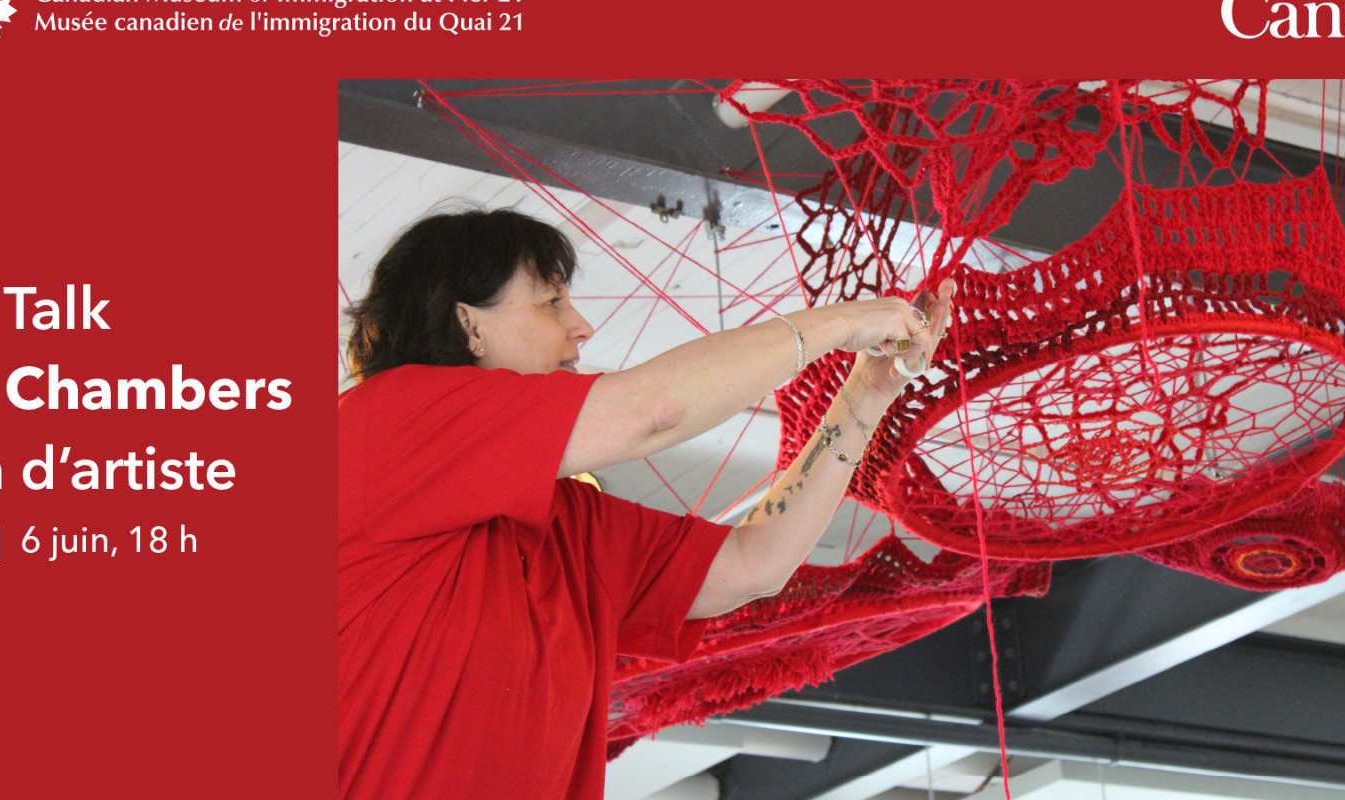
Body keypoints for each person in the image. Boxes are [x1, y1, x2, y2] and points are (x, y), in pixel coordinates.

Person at [338, 208, 953, 800]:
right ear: (468, 324)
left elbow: (753, 564)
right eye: (551, 303)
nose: (582, 326)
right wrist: (841, 324)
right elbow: (655, 410)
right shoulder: (381, 425)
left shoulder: (566, 518)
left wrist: (867, 392)